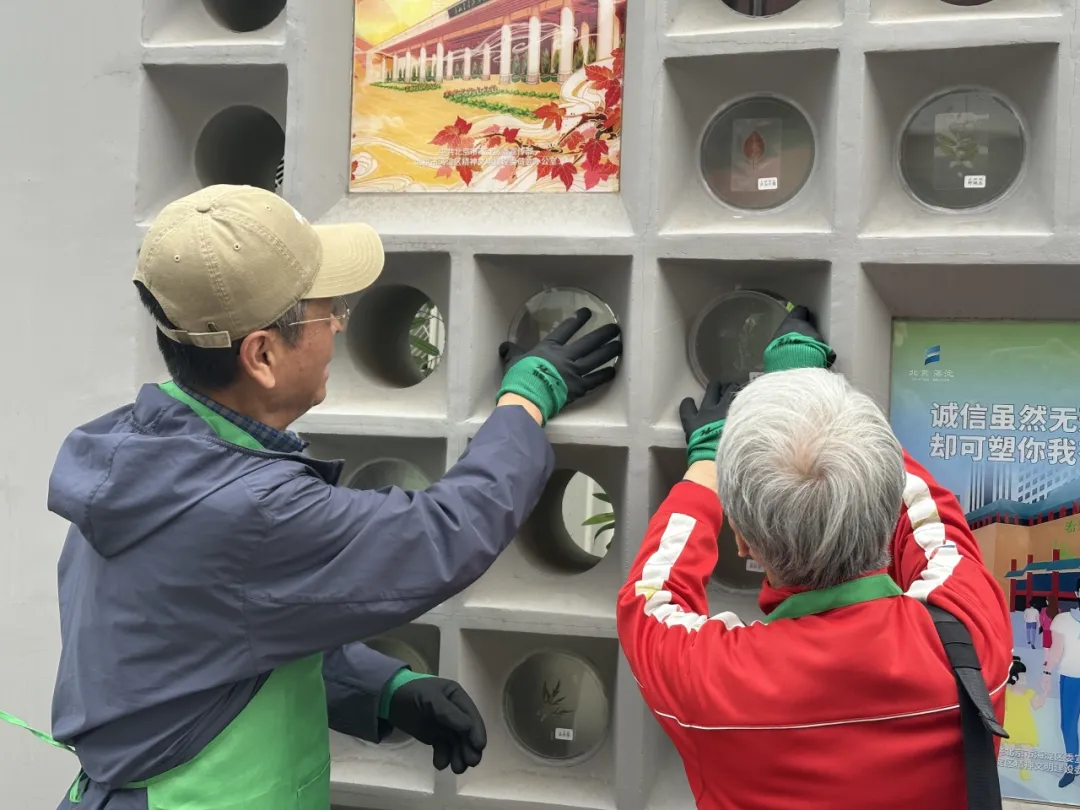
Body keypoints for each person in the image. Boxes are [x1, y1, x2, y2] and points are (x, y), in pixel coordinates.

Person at [3, 184, 622, 810]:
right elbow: (444, 532)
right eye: (329, 312)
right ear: (262, 354)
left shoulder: (142, 457)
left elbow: (217, 640)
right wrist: (525, 400)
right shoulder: (247, 506)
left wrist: (384, 689)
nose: (341, 326)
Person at [616, 307, 1012, 809]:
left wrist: (706, 464)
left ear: (742, 541)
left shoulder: (709, 681)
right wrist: (814, 398)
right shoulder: (971, 630)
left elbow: (651, 595)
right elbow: (928, 516)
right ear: (884, 514)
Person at [1004, 656, 1045, 781]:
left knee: (1026, 748)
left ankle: (1025, 770)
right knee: (1008, 750)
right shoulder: (1006, 692)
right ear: (1014, 677)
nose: (1026, 678)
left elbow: (1036, 705)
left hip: (1026, 725)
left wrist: (1045, 692)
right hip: (1010, 725)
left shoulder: (1029, 693)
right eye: (1022, 676)